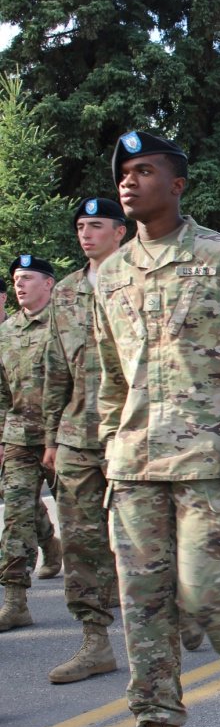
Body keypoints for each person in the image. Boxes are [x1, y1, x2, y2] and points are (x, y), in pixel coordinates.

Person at [94, 131, 220, 727]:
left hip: (210, 461)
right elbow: (109, 373)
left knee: (204, 596)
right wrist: (107, 444)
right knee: (143, 610)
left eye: (144, 170)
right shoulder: (110, 274)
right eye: (124, 172)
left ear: (176, 185)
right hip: (133, 467)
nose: (128, 180)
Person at [41, 198, 126, 683]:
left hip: (133, 434)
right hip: (77, 434)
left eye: (96, 225)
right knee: (80, 540)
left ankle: (176, 611)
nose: (85, 234)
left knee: (144, 541)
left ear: (120, 232)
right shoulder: (68, 292)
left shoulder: (140, 280)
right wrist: (52, 436)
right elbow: (55, 370)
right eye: (79, 226)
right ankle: (95, 640)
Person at [0, 255, 63, 634]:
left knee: (86, 517)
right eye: (16, 279)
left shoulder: (66, 326)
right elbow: (2, 393)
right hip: (20, 438)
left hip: (67, 439)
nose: (19, 284)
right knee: (15, 514)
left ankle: (107, 581)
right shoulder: (6, 333)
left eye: (28, 278)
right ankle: (15, 601)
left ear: (48, 284)